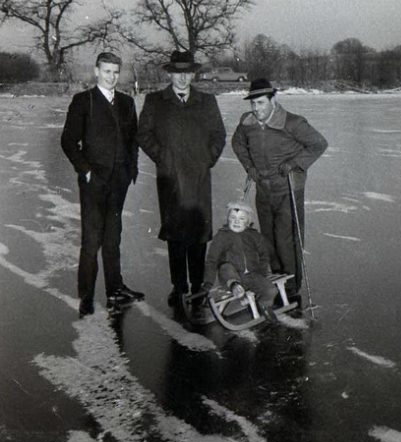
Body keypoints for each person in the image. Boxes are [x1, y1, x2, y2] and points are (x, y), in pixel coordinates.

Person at [137, 50, 226, 308]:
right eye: (178, 73)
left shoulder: (207, 101)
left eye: (188, 73)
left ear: (193, 74)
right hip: (171, 178)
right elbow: (143, 134)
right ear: (170, 73)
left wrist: (206, 159)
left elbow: (219, 135)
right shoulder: (155, 101)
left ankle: (198, 287)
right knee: (175, 234)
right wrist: (162, 158)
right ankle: (179, 287)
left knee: (198, 231)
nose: (183, 78)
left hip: (199, 177)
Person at [61, 52, 144, 317]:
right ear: (96, 71)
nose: (111, 77)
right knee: (91, 239)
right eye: (107, 71)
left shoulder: (127, 102)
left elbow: (133, 140)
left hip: (119, 181)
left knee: (113, 237)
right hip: (94, 182)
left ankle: (115, 289)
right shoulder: (83, 101)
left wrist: (132, 169)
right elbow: (68, 141)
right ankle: (86, 297)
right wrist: (84, 170)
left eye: (116, 72)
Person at [231, 78, 328, 302]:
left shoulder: (292, 122)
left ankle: (292, 284)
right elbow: (237, 144)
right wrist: (250, 167)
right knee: (268, 237)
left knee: (287, 238)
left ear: (273, 100)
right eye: (253, 104)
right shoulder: (247, 123)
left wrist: (294, 163)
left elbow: (318, 144)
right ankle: (277, 278)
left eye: (261, 103)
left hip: (288, 189)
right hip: (263, 188)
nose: (256, 109)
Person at [202, 201, 278, 322]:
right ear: (228, 219)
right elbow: (212, 260)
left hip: (251, 275)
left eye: (241, 218)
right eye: (233, 218)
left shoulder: (253, 235)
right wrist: (208, 283)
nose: (236, 221)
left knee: (271, 290)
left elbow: (264, 254)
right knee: (226, 267)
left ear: (247, 222)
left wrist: (262, 272)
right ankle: (235, 287)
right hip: (230, 275)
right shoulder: (222, 236)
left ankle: (264, 305)